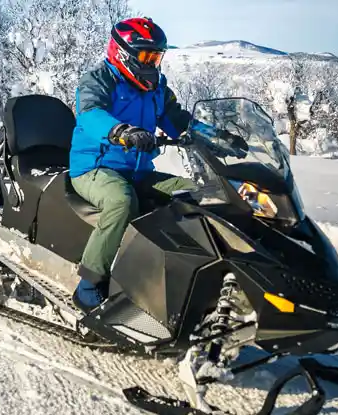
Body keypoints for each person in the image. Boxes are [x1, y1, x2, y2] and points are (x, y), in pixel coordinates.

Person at [68, 17, 224, 311]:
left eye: (156, 56)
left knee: (197, 193)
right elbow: (90, 115)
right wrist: (121, 132)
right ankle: (88, 283)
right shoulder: (99, 79)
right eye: (146, 56)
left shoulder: (157, 87)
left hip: (138, 171)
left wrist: (216, 137)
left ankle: (186, 273)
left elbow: (177, 119)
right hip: (95, 168)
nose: (152, 63)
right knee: (122, 202)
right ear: (124, 53)